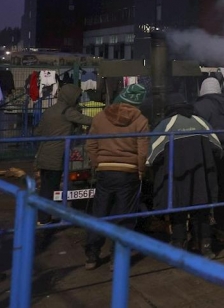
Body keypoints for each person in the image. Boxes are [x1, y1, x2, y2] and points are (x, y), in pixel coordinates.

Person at [84, 84, 150, 271]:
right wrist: (140, 170)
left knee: (99, 212)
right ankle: (117, 257)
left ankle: (91, 255)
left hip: (105, 171)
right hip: (128, 173)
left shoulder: (100, 117)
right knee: (124, 216)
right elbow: (142, 150)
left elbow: (91, 145)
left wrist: (98, 164)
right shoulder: (141, 120)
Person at [147, 93, 221, 258]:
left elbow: (152, 155)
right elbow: (217, 147)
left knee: (178, 211)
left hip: (177, 178)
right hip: (201, 177)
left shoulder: (166, 125)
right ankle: (205, 245)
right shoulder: (201, 122)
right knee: (202, 210)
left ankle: (179, 244)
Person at [193, 77, 224, 246]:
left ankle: (204, 233)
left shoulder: (198, 107)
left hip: (206, 155)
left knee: (205, 192)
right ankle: (222, 228)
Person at [33, 84, 93, 225]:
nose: (78, 100)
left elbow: (37, 132)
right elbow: (89, 120)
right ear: (71, 97)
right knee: (50, 190)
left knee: (46, 187)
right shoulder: (68, 111)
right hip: (56, 156)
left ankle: (44, 217)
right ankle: (44, 219)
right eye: (77, 97)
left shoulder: (50, 110)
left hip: (43, 155)